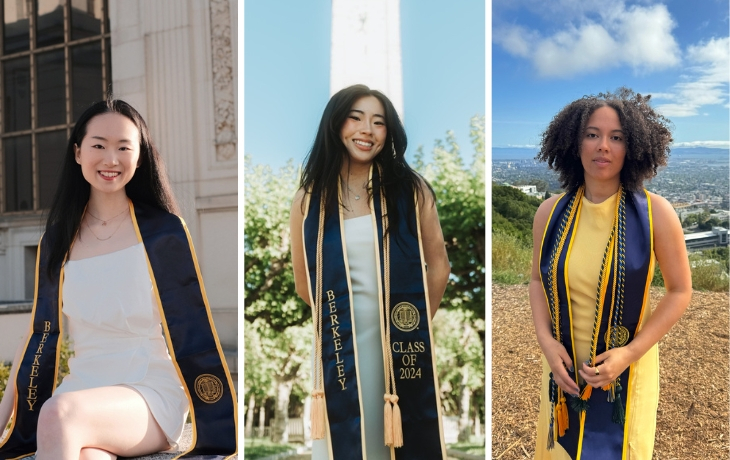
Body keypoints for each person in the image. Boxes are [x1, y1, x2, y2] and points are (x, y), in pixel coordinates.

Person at [0, 99, 237, 459]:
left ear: (139, 158)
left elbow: (191, 329)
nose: (111, 159)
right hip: (82, 388)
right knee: (86, 453)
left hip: (147, 391)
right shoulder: (58, 239)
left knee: (59, 414)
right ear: (78, 153)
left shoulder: (162, 233)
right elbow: (39, 333)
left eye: (124, 147)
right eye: (98, 145)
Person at [529, 88, 692, 459]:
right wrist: (547, 344)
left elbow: (680, 290)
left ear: (632, 147)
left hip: (625, 373)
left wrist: (629, 353)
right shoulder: (550, 213)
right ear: (574, 142)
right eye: (592, 134)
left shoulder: (656, 214)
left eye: (616, 137)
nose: (603, 146)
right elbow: (537, 280)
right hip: (561, 371)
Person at [290, 85, 451, 460]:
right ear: (336, 124)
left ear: (388, 133)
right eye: (356, 118)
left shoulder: (410, 192)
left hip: (395, 348)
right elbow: (305, 284)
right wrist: (339, 325)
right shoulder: (309, 200)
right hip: (341, 348)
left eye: (379, 122)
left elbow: (439, 267)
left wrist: (409, 327)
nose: (367, 130)